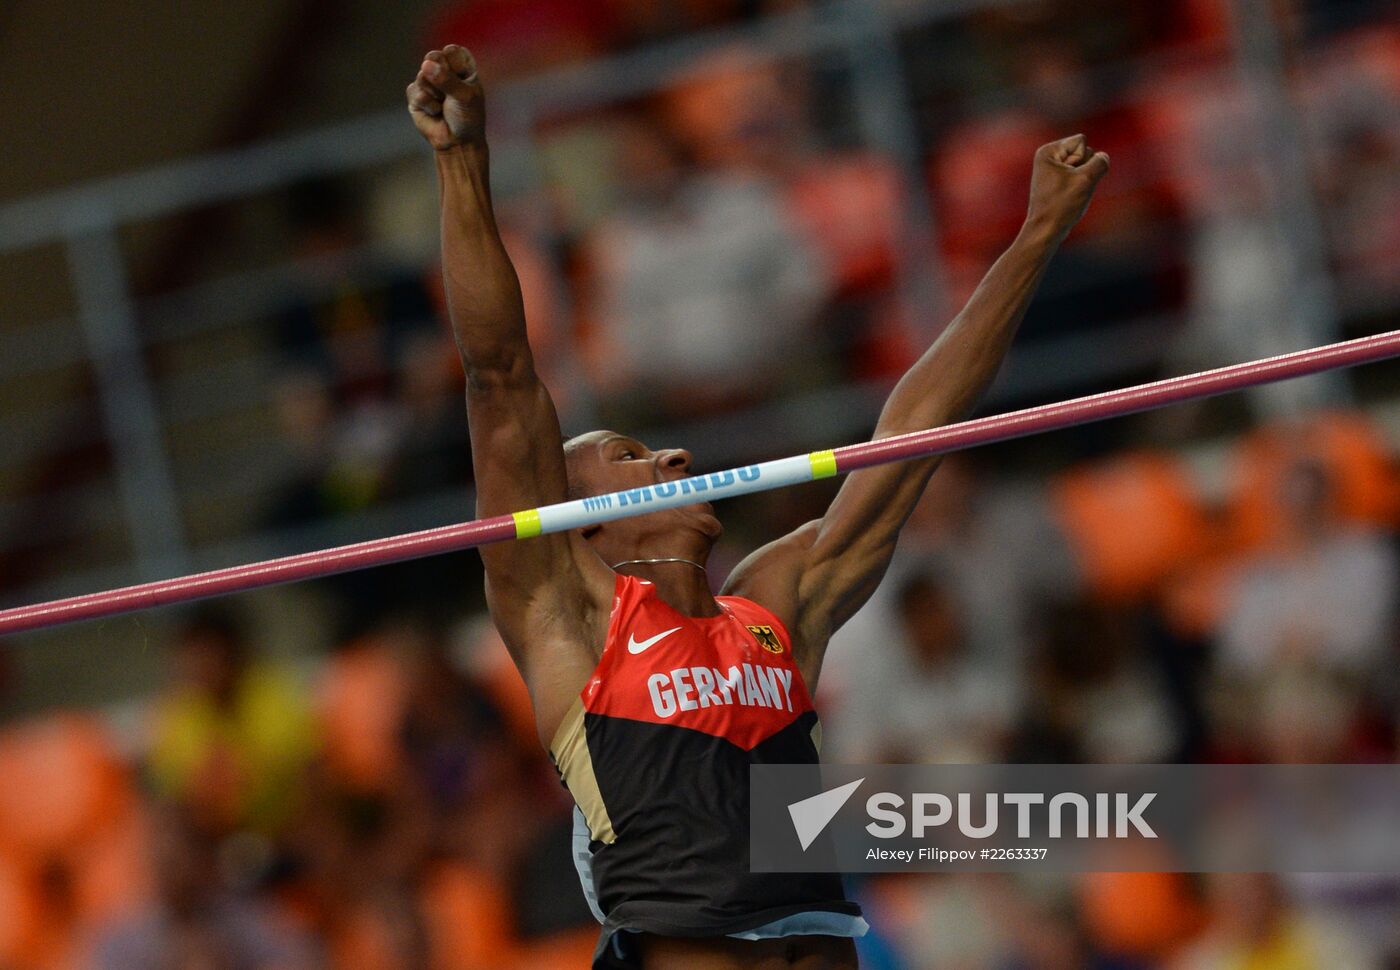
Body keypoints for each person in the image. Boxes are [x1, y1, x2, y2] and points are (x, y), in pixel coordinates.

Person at [405, 43, 1109, 970]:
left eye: (658, 445)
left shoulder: (776, 605)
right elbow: (501, 377)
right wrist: (463, 164)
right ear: (585, 528)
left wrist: (1033, 238)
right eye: (633, 457)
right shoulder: (570, 615)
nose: (678, 456)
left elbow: (920, 425)